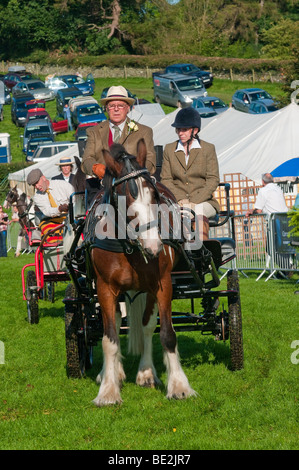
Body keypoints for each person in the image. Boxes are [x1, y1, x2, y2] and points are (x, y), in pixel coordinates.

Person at [81, 85, 156, 203]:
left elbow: (150, 161)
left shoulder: (144, 131)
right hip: (102, 188)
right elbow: (86, 160)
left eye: (120, 105)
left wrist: (133, 173)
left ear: (128, 108)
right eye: (112, 106)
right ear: (106, 108)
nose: (116, 109)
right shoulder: (94, 132)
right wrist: (97, 168)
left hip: (134, 189)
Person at [160, 107, 220, 220]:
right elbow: (166, 179)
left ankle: (200, 238)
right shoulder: (169, 149)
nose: (180, 133)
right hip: (178, 201)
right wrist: (181, 200)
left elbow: (213, 179)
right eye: (178, 129)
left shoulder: (208, 149)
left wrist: (194, 202)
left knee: (196, 212)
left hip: (204, 201)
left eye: (184, 129)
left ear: (195, 130)